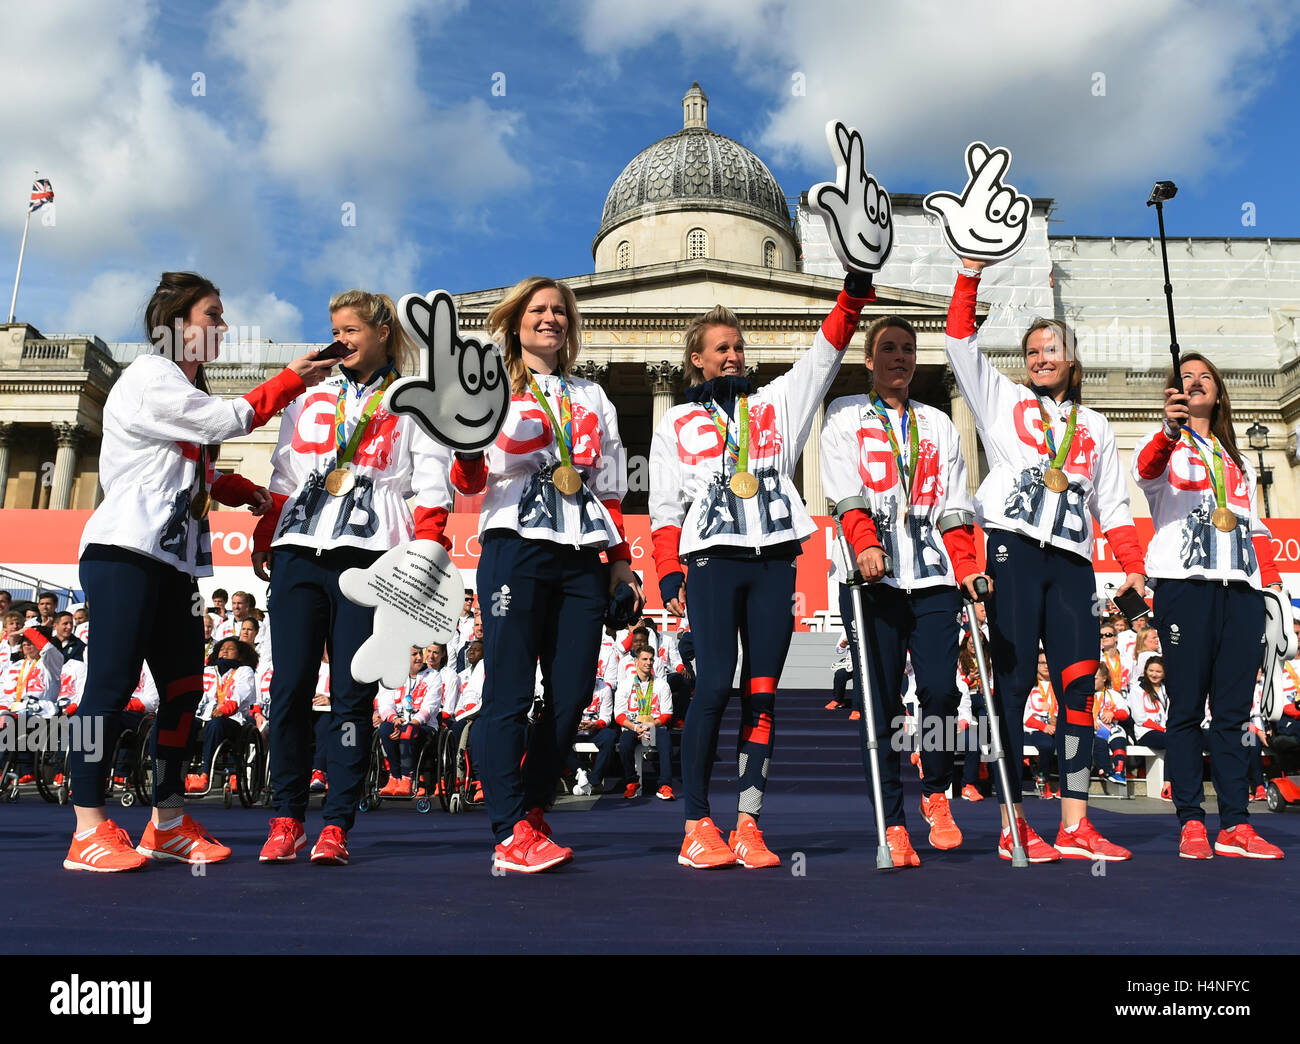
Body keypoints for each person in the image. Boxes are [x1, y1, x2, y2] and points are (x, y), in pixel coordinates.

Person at [65, 271, 336, 872]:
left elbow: (196, 470)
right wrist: (295, 378)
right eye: (212, 315)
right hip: (124, 552)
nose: (223, 327)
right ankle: (87, 827)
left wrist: (245, 490)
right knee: (108, 687)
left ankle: (165, 823)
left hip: (175, 564)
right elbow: (225, 422)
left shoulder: (183, 387)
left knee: (187, 691)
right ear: (176, 324)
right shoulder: (148, 376)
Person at [650, 270, 875, 870]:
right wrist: (669, 571)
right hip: (713, 560)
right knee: (715, 685)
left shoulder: (775, 404)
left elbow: (826, 353)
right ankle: (697, 823)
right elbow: (666, 503)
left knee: (764, 694)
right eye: (721, 348)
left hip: (776, 558)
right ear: (697, 359)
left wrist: (853, 292)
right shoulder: (674, 423)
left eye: (739, 346)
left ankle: (748, 821)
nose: (733, 355)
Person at [945, 255, 1147, 863]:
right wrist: (969, 273)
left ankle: (1075, 823)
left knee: (1080, 684)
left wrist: (1132, 566)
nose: (1040, 358)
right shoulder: (1002, 400)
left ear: (1072, 359)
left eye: (1052, 348)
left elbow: (1113, 505)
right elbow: (957, 341)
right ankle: (1012, 820)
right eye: (1032, 351)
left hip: (1073, 563)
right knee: (1009, 685)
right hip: (1014, 551)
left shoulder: (1098, 426)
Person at [252, 288, 455, 867]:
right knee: (288, 689)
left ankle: (336, 823)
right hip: (299, 550)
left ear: (383, 332)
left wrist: (424, 555)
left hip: (367, 558)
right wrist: (269, 532)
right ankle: (286, 814)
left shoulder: (414, 400)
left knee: (351, 695)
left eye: (350, 331)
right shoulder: (309, 395)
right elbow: (285, 472)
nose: (339, 340)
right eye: (335, 329)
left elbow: (431, 484)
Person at [451, 276, 642, 873]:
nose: (551, 319)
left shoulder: (594, 397)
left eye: (560, 310)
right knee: (508, 693)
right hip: (515, 545)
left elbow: (609, 488)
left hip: (583, 552)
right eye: (538, 310)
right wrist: (464, 450)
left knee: (574, 695)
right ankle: (509, 829)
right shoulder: (492, 387)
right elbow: (469, 484)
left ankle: (532, 809)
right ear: (515, 321)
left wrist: (621, 567)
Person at [821, 311, 988, 866]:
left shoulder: (939, 424)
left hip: (935, 576)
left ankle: (935, 792)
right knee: (883, 703)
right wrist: (866, 543)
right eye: (888, 349)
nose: (900, 357)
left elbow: (956, 501)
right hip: (876, 579)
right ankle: (891, 820)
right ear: (869, 360)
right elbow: (844, 489)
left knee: (942, 692)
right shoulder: (845, 414)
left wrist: (966, 565)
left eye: (908, 349)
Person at [1132, 353, 1284, 857]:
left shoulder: (1234, 458)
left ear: (1218, 392)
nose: (1196, 383)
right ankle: (1191, 820)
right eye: (1185, 379)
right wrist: (1170, 430)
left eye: (1205, 378)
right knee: (1187, 708)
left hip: (1239, 589)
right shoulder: (1166, 445)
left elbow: (1257, 531)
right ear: (1173, 395)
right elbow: (1145, 470)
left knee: (1234, 714)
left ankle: (1237, 823)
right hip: (1185, 586)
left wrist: (1277, 595)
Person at [613, 645, 674, 800]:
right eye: (644, 659)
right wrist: (635, 727)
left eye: (651, 659)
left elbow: (667, 713)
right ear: (636, 661)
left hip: (655, 726)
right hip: (633, 726)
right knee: (625, 743)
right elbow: (619, 715)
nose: (648, 662)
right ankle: (632, 782)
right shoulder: (626, 685)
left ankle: (665, 786)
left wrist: (652, 724)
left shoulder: (661, 684)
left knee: (666, 742)